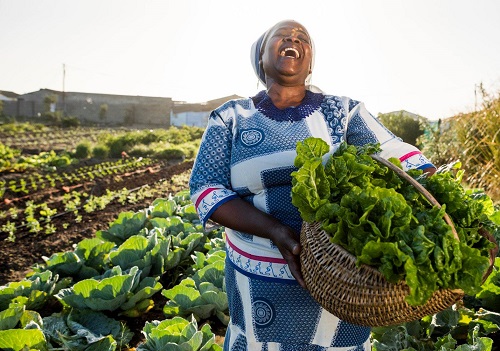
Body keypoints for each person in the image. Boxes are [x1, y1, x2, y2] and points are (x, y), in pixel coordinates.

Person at [189, 19, 436, 351]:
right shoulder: (232, 116)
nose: (294, 39)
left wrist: (435, 191)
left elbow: (393, 152)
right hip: (258, 274)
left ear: (310, 63)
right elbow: (205, 189)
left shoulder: (343, 111)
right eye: (283, 35)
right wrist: (275, 230)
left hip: (339, 273)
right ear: (260, 55)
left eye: (302, 38)